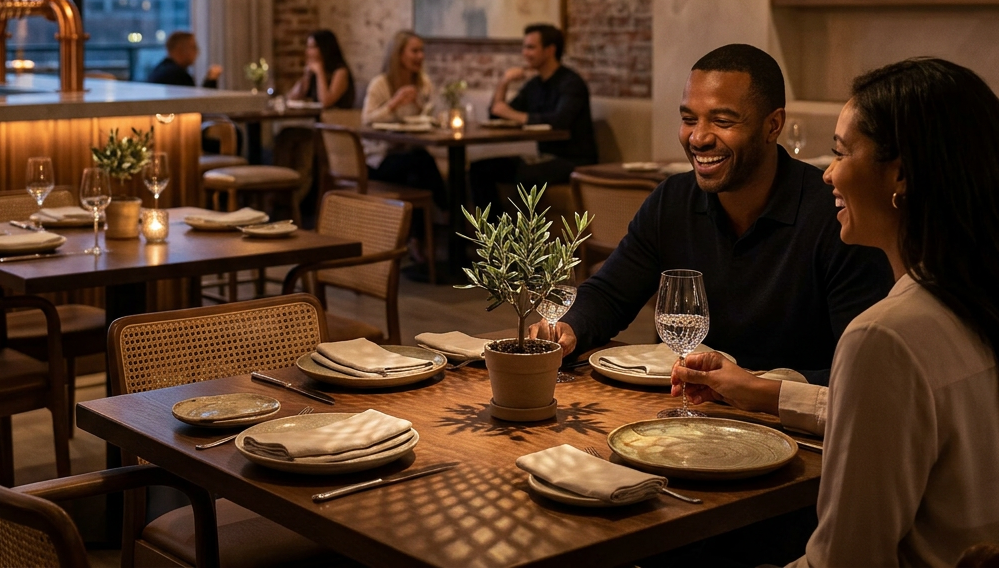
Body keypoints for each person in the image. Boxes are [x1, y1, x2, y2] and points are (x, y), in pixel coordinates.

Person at [671, 58, 999, 567]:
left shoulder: (886, 336)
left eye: (841, 152)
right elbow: (899, 417)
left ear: (902, 175)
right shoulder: (973, 299)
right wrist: (758, 389)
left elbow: (846, 559)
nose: (827, 173)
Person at [534, 43, 893, 384]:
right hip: (679, 410)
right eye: (689, 119)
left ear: (773, 125)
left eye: (722, 121)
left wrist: (758, 389)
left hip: (790, 426)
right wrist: (570, 327)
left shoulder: (836, 215)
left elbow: (864, 369)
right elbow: (610, 293)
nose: (698, 137)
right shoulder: (672, 199)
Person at [469, 24, 597, 212]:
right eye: (524, 47)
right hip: (542, 158)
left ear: (550, 50)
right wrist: (504, 82)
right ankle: (495, 237)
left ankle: (521, 238)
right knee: (479, 170)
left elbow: (559, 122)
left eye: (531, 47)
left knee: (527, 174)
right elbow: (497, 114)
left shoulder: (571, 83)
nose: (525, 53)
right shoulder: (534, 85)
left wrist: (511, 114)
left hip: (574, 160)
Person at [361, 31, 448, 250]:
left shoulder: (423, 83)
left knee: (416, 175)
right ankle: (449, 210)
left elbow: (434, 118)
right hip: (379, 160)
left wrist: (422, 109)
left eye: (422, 51)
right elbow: (367, 120)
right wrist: (393, 103)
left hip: (408, 155)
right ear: (399, 55)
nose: (420, 56)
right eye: (414, 51)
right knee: (420, 161)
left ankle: (416, 243)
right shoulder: (380, 84)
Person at [287, 29, 355, 109]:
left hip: (337, 118)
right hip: (316, 119)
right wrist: (306, 77)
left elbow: (326, 102)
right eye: (308, 47)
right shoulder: (313, 72)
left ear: (324, 48)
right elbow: (291, 98)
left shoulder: (340, 71)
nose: (308, 52)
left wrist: (320, 72)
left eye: (312, 47)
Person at [147, 31, 221, 88]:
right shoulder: (177, 76)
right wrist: (211, 79)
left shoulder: (161, 70)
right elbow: (196, 105)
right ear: (180, 50)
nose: (198, 52)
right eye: (194, 47)